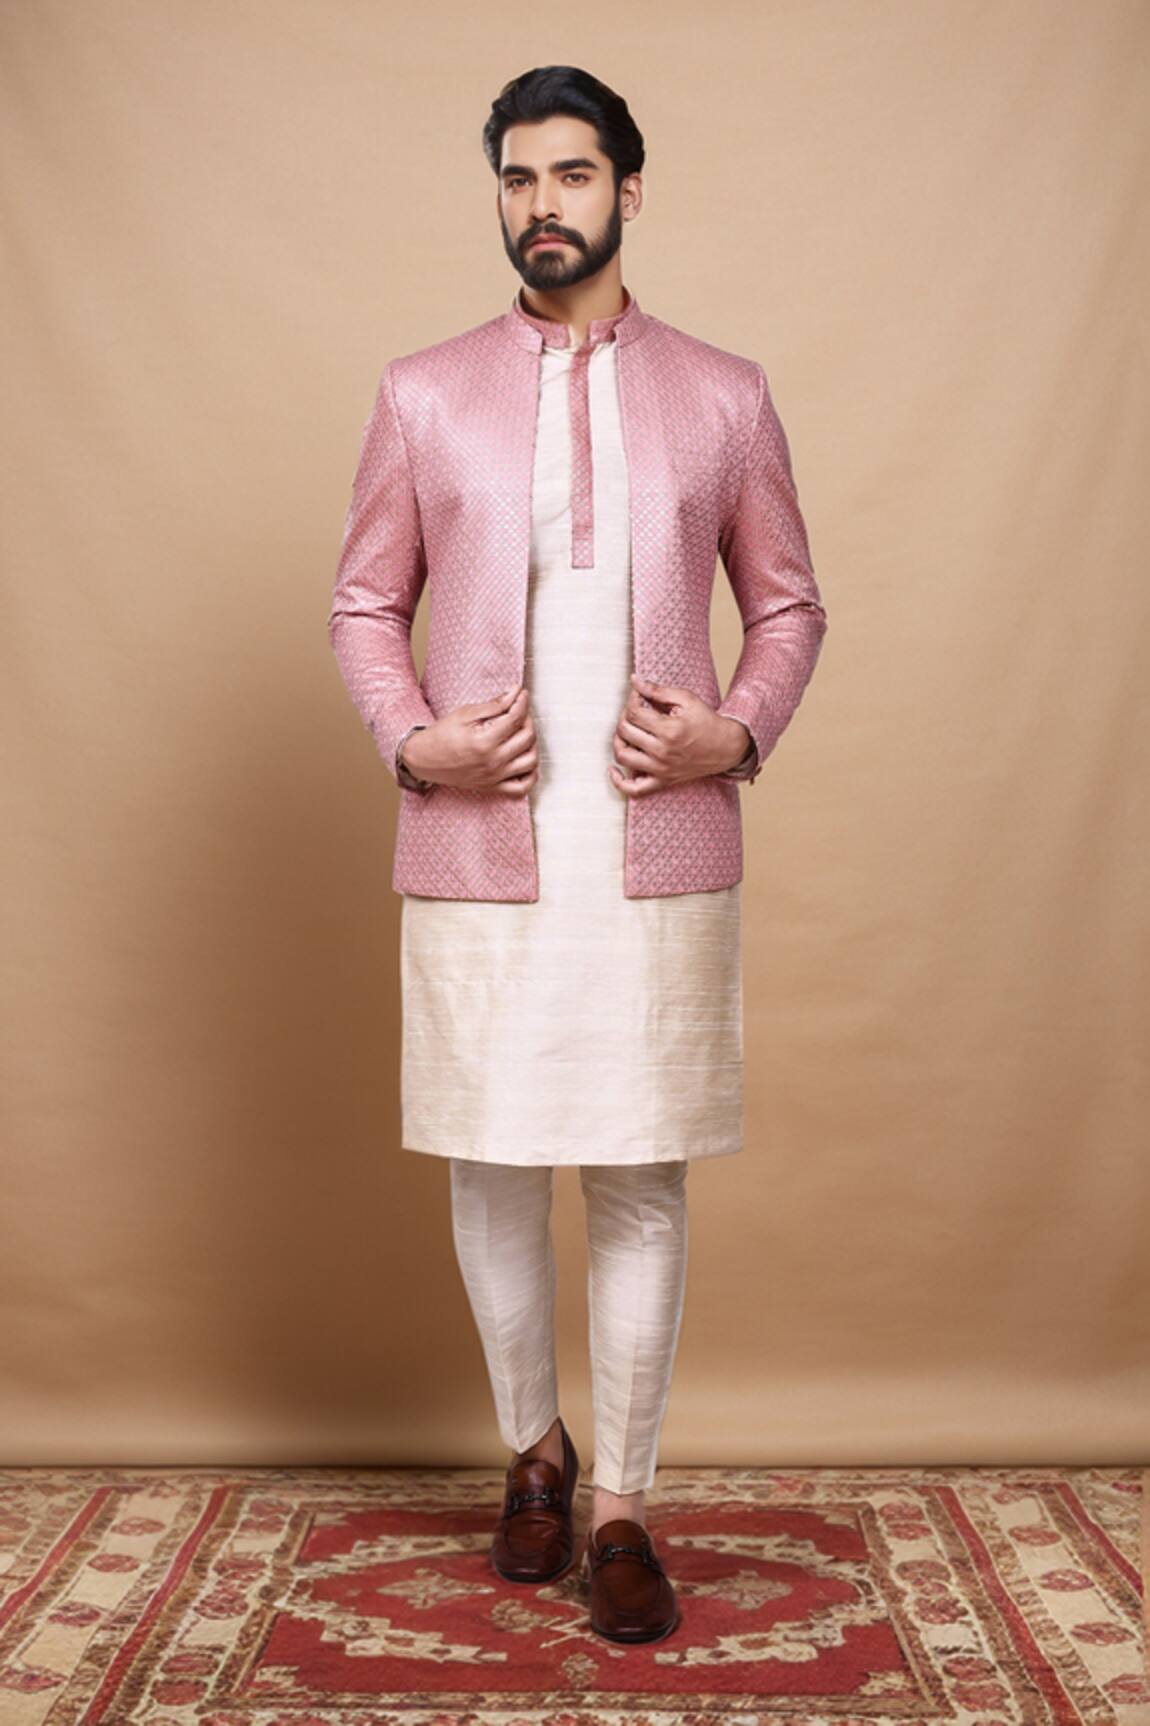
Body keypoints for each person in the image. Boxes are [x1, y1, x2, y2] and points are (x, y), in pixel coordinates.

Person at [327, 64, 828, 1644]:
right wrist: (413, 741)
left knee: (635, 1166)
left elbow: (789, 604)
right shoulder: (423, 392)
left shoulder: (723, 394)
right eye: (518, 176)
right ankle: (530, 1450)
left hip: (653, 840)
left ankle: (617, 1502)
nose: (542, 203)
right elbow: (364, 602)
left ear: (628, 190)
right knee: (490, 1156)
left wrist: (733, 733)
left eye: (572, 173)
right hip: (478, 834)